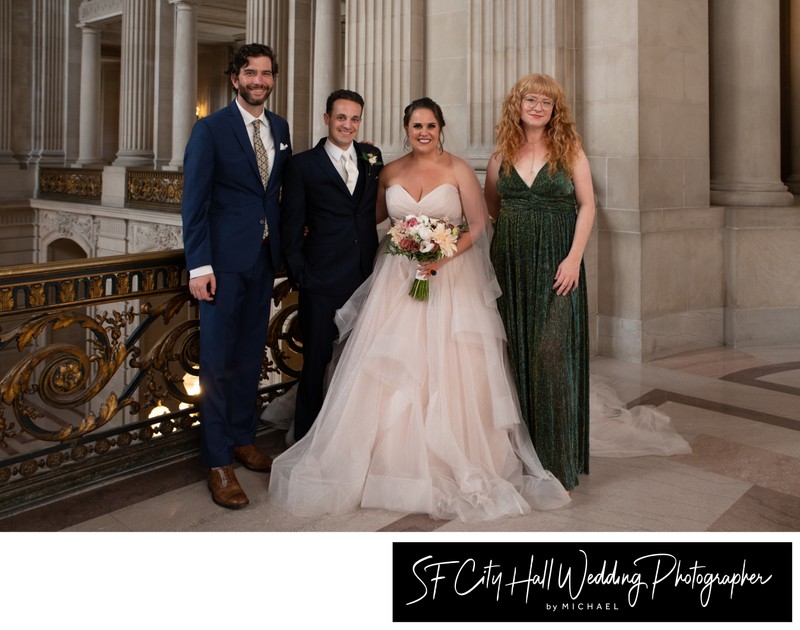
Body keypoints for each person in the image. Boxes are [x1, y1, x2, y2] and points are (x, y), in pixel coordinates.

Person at [269, 97, 571, 522]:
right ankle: (384, 458)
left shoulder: (459, 168)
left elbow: (479, 222)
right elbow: (368, 217)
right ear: (405, 129)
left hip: (450, 276)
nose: (423, 132)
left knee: (449, 366)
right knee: (390, 362)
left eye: (430, 125)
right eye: (415, 126)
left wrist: (442, 254)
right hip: (396, 277)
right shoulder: (387, 170)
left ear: (441, 127)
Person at [181, 43, 292, 509]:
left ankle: (245, 439)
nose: (259, 80)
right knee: (218, 363)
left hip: (263, 260)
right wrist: (199, 265)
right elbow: (195, 201)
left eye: (266, 73)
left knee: (250, 356)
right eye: (251, 73)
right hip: (221, 267)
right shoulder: (210, 129)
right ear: (235, 78)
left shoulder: (280, 128)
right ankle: (218, 460)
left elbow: (275, 192)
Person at [483, 73, 594, 492]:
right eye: (530, 99)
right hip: (511, 265)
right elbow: (494, 207)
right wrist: (516, 240)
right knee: (515, 356)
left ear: (555, 111)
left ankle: (557, 460)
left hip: (558, 266)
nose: (537, 107)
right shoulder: (501, 156)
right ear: (518, 104)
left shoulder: (571, 150)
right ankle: (519, 457)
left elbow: (587, 206)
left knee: (551, 357)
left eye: (546, 102)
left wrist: (573, 258)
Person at [281, 89, 384, 443]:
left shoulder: (372, 156)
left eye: (354, 118)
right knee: (316, 363)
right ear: (327, 119)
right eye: (341, 117)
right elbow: (290, 226)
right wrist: (302, 274)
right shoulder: (301, 165)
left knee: (360, 361)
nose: (348, 125)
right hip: (321, 279)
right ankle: (307, 440)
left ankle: (351, 438)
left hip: (366, 275)